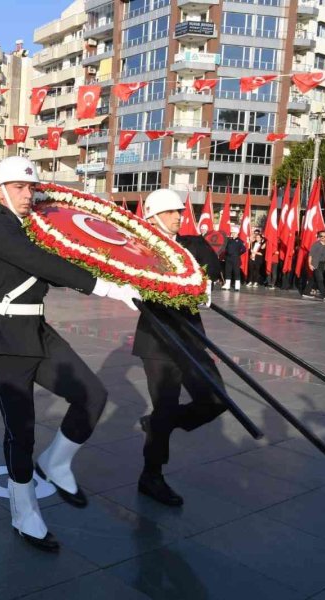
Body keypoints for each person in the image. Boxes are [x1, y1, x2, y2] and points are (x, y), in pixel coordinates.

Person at [0, 156, 139, 551]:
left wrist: (126, 271)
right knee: (21, 431)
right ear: (0, 192)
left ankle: (57, 462)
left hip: (35, 330)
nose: (28, 194)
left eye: (31, 188)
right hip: (3, 338)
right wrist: (109, 289)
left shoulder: (31, 227)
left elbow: (62, 257)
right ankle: (25, 514)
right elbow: (42, 263)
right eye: (19, 187)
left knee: (92, 395)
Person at [132, 188, 227, 506]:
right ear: (153, 216)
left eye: (179, 212)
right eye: (171, 212)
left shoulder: (191, 244)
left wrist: (201, 264)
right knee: (166, 404)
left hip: (189, 336)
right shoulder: (138, 248)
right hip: (157, 339)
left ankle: (162, 423)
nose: (178, 216)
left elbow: (214, 270)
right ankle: (152, 476)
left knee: (216, 400)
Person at [309, 231, 325, 300]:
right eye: (321, 236)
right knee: (320, 279)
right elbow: (310, 255)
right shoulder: (316, 244)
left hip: (323, 264)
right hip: (316, 264)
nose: (323, 238)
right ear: (319, 237)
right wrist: (309, 264)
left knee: (313, 279)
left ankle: (306, 292)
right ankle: (324, 294)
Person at [221, 225, 246, 292]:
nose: (232, 234)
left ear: (237, 233)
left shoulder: (240, 241)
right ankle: (227, 285)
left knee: (236, 272)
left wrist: (238, 254)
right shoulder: (229, 240)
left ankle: (237, 286)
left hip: (235, 258)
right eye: (232, 232)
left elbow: (244, 249)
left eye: (234, 232)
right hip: (228, 258)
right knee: (227, 271)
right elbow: (226, 248)